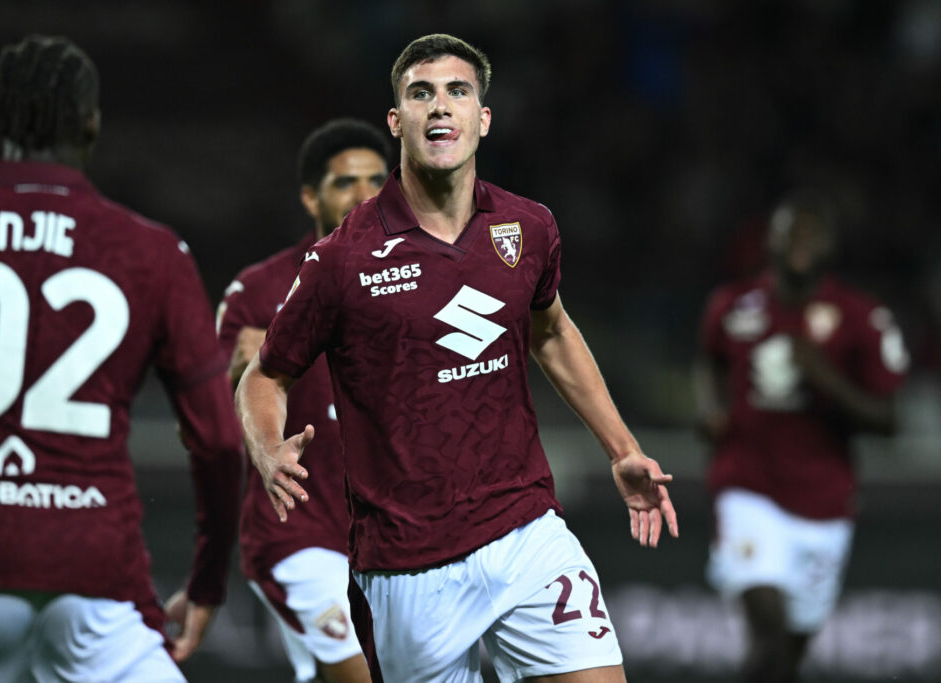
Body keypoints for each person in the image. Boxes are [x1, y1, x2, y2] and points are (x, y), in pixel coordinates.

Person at [237, 33, 678, 683]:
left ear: (483, 117)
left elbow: (551, 331)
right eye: (422, 93)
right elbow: (265, 373)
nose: (440, 106)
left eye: (457, 91)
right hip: (407, 566)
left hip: (526, 532)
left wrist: (622, 448)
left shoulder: (527, 227)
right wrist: (266, 446)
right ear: (397, 121)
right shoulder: (342, 258)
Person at [0, 35, 243, 682]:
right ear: (92, 124)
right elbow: (219, 443)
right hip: (97, 582)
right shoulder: (152, 252)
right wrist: (207, 580)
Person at [695, 191, 909, 683]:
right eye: (791, 230)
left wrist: (826, 380)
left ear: (831, 244)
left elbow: (889, 419)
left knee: (786, 656)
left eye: (812, 232)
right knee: (767, 632)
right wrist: (713, 411)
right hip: (747, 486)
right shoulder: (732, 305)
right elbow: (712, 364)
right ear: (769, 240)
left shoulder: (860, 316)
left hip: (824, 501)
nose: (801, 242)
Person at [218, 118, 390, 683]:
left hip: (392, 536)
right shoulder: (258, 291)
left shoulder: (417, 281)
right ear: (311, 197)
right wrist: (239, 377)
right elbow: (204, 426)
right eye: (345, 182)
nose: (364, 194)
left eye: (376, 180)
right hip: (299, 534)